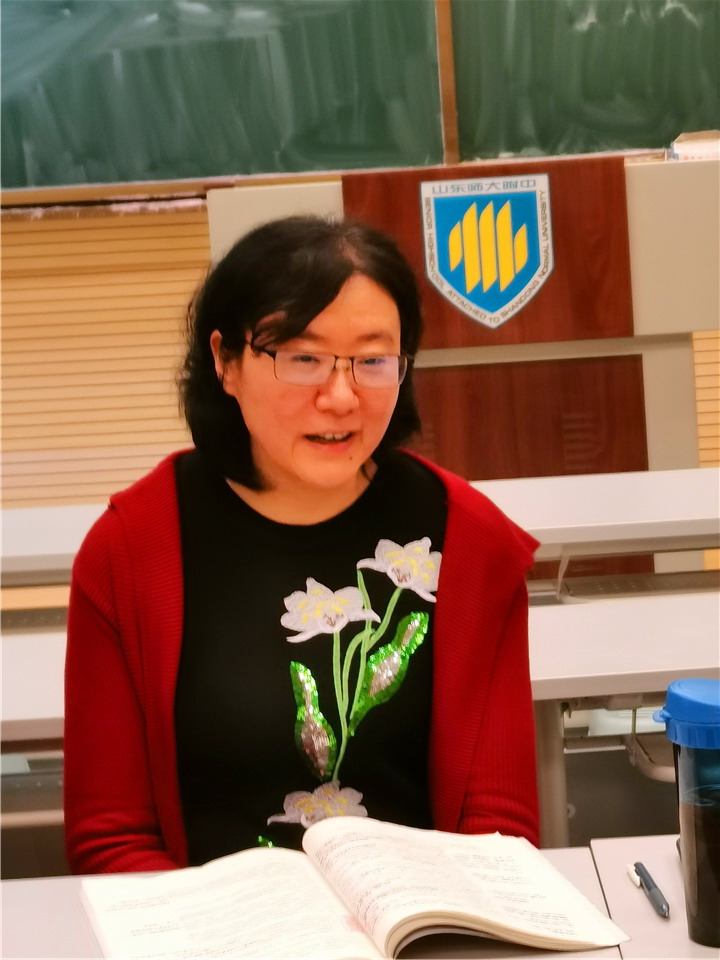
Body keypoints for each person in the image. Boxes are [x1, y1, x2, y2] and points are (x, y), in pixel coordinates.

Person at [64, 215, 539, 875]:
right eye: (303, 358)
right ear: (225, 361)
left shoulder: (469, 541)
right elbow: (111, 841)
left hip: (419, 924)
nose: (341, 397)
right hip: (207, 927)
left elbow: (500, 831)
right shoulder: (132, 548)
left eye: (373, 361)